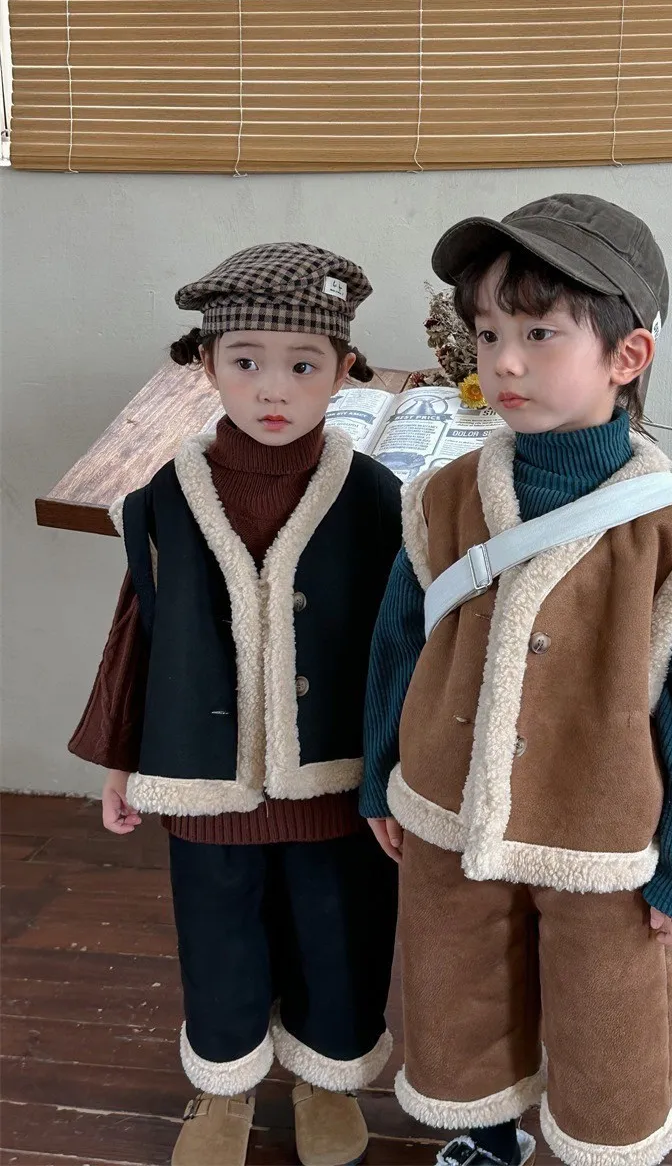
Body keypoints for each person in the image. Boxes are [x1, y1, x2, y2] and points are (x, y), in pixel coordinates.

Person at [362, 195, 672, 1166]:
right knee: (458, 993)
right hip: (448, 809)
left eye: (539, 333)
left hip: (601, 836)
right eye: (490, 332)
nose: (505, 361)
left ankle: (599, 1147)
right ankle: (489, 1136)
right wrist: (379, 776)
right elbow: (396, 646)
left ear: (627, 356)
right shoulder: (442, 499)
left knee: (609, 1019)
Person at [70, 242, 401, 1166]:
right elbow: (139, 626)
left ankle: (326, 1082)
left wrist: (399, 770)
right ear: (207, 363)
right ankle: (224, 1088)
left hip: (337, 778)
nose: (273, 389)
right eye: (246, 361)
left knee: (340, 933)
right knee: (218, 939)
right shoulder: (165, 498)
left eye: (303, 365)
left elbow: (399, 649)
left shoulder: (377, 499)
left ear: (343, 369)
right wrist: (122, 756)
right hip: (203, 779)